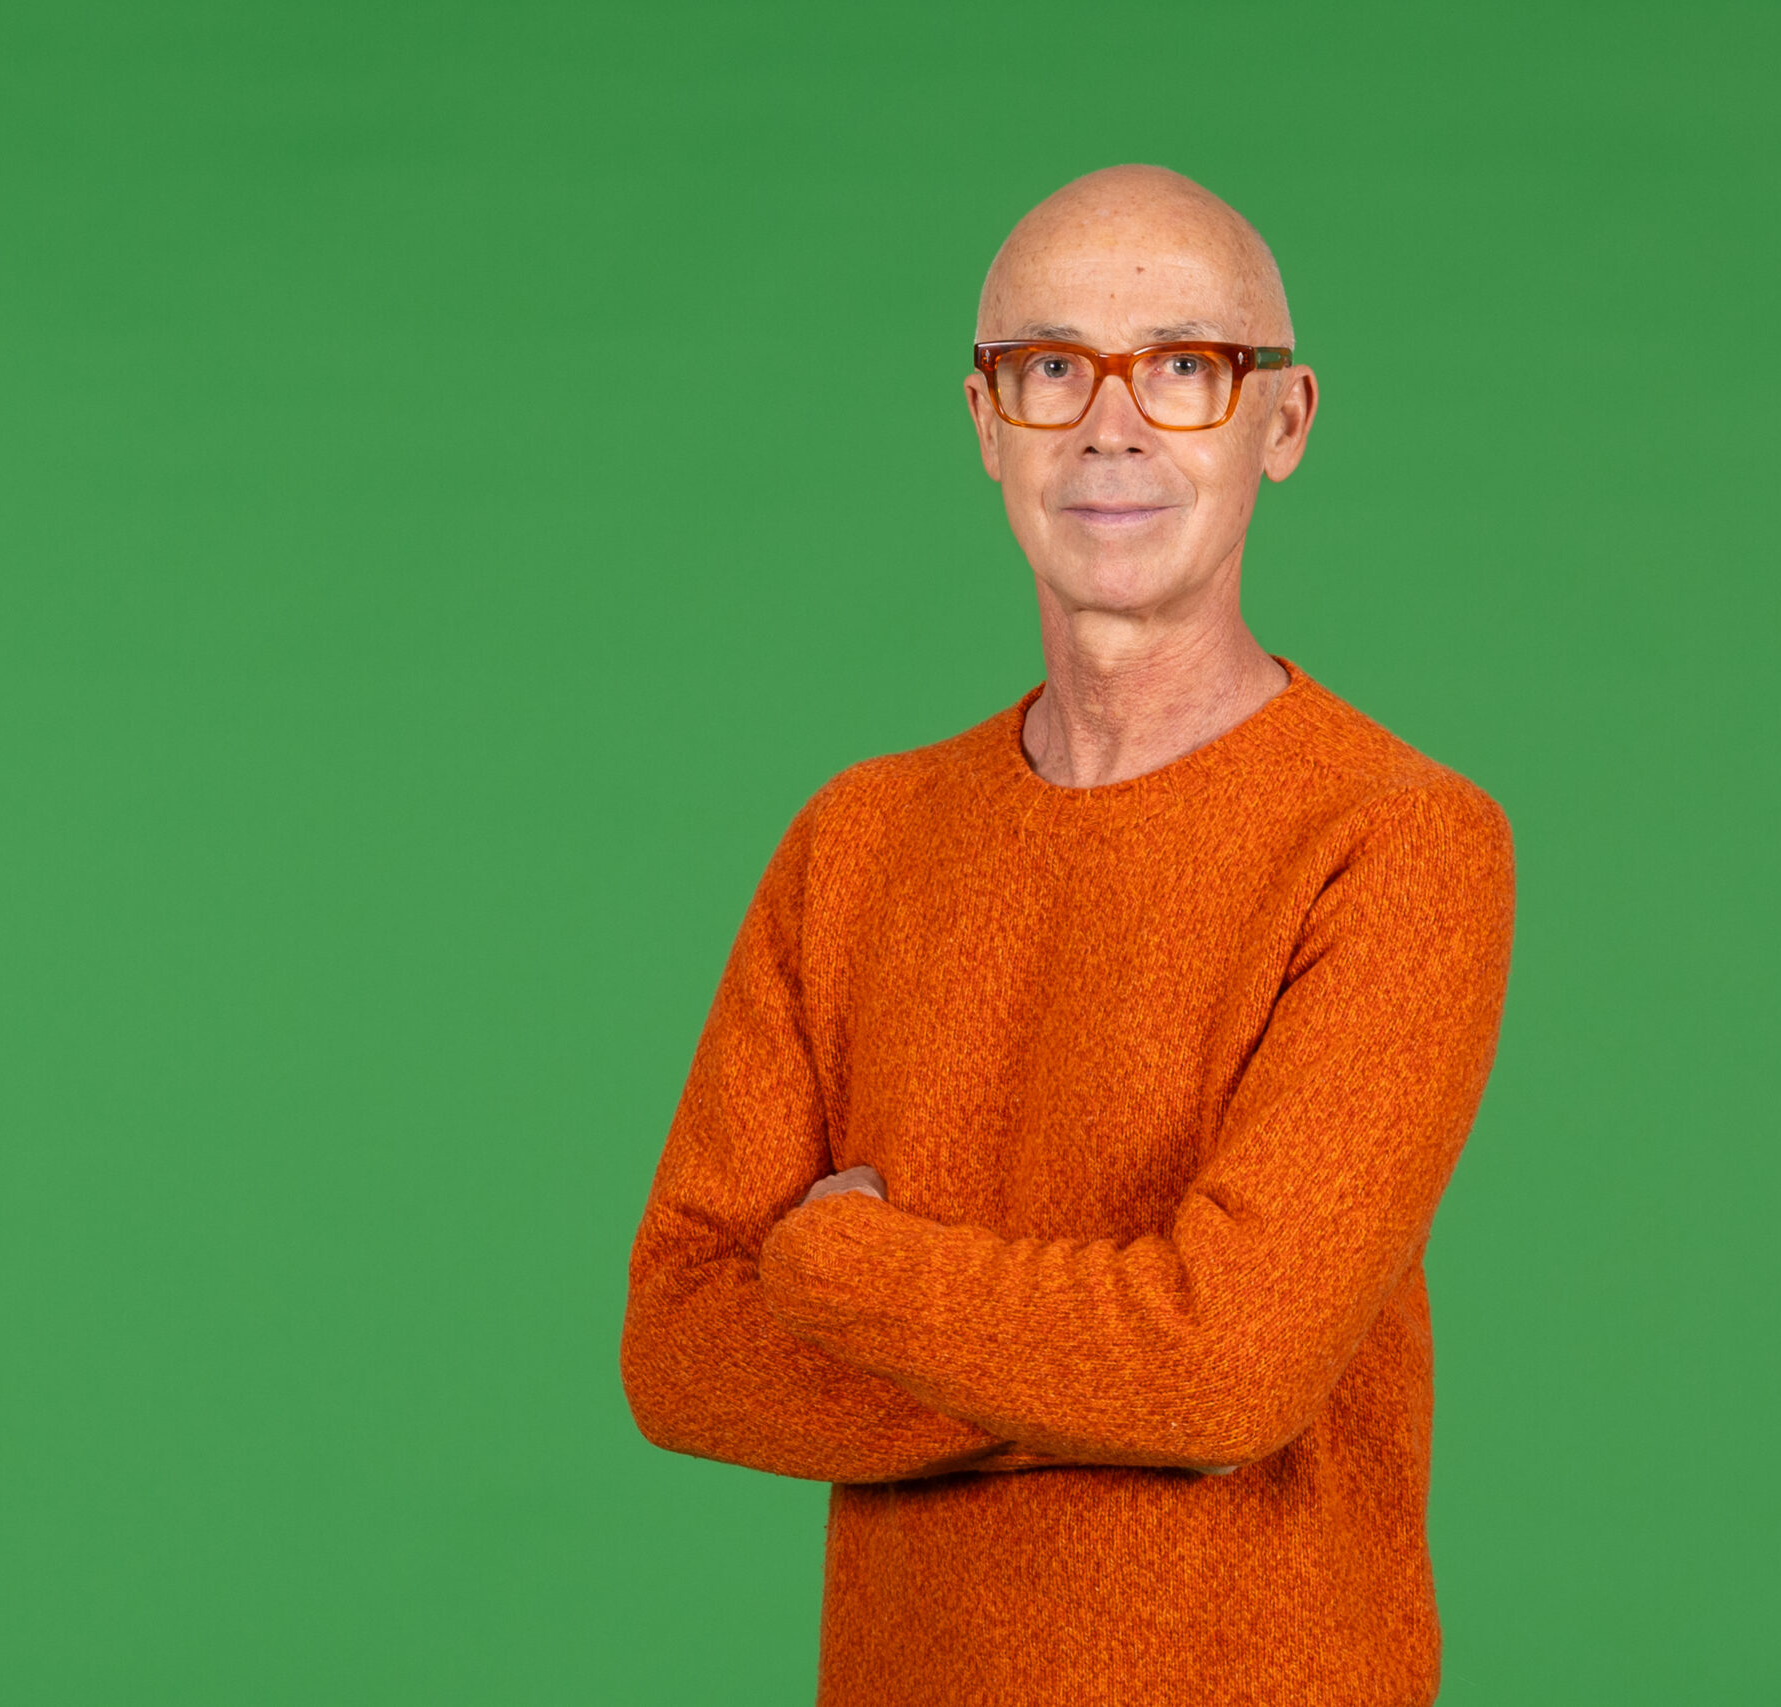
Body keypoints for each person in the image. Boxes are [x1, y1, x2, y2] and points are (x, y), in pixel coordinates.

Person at [621, 163, 1516, 1706]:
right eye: (1052, 368)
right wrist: (1125, 1367)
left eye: (1183, 367)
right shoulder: (858, 839)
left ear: (1282, 420)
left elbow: (1229, 1369)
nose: (1112, 425)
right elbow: (681, 1346)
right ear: (987, 422)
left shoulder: (1398, 841)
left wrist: (836, 1261)